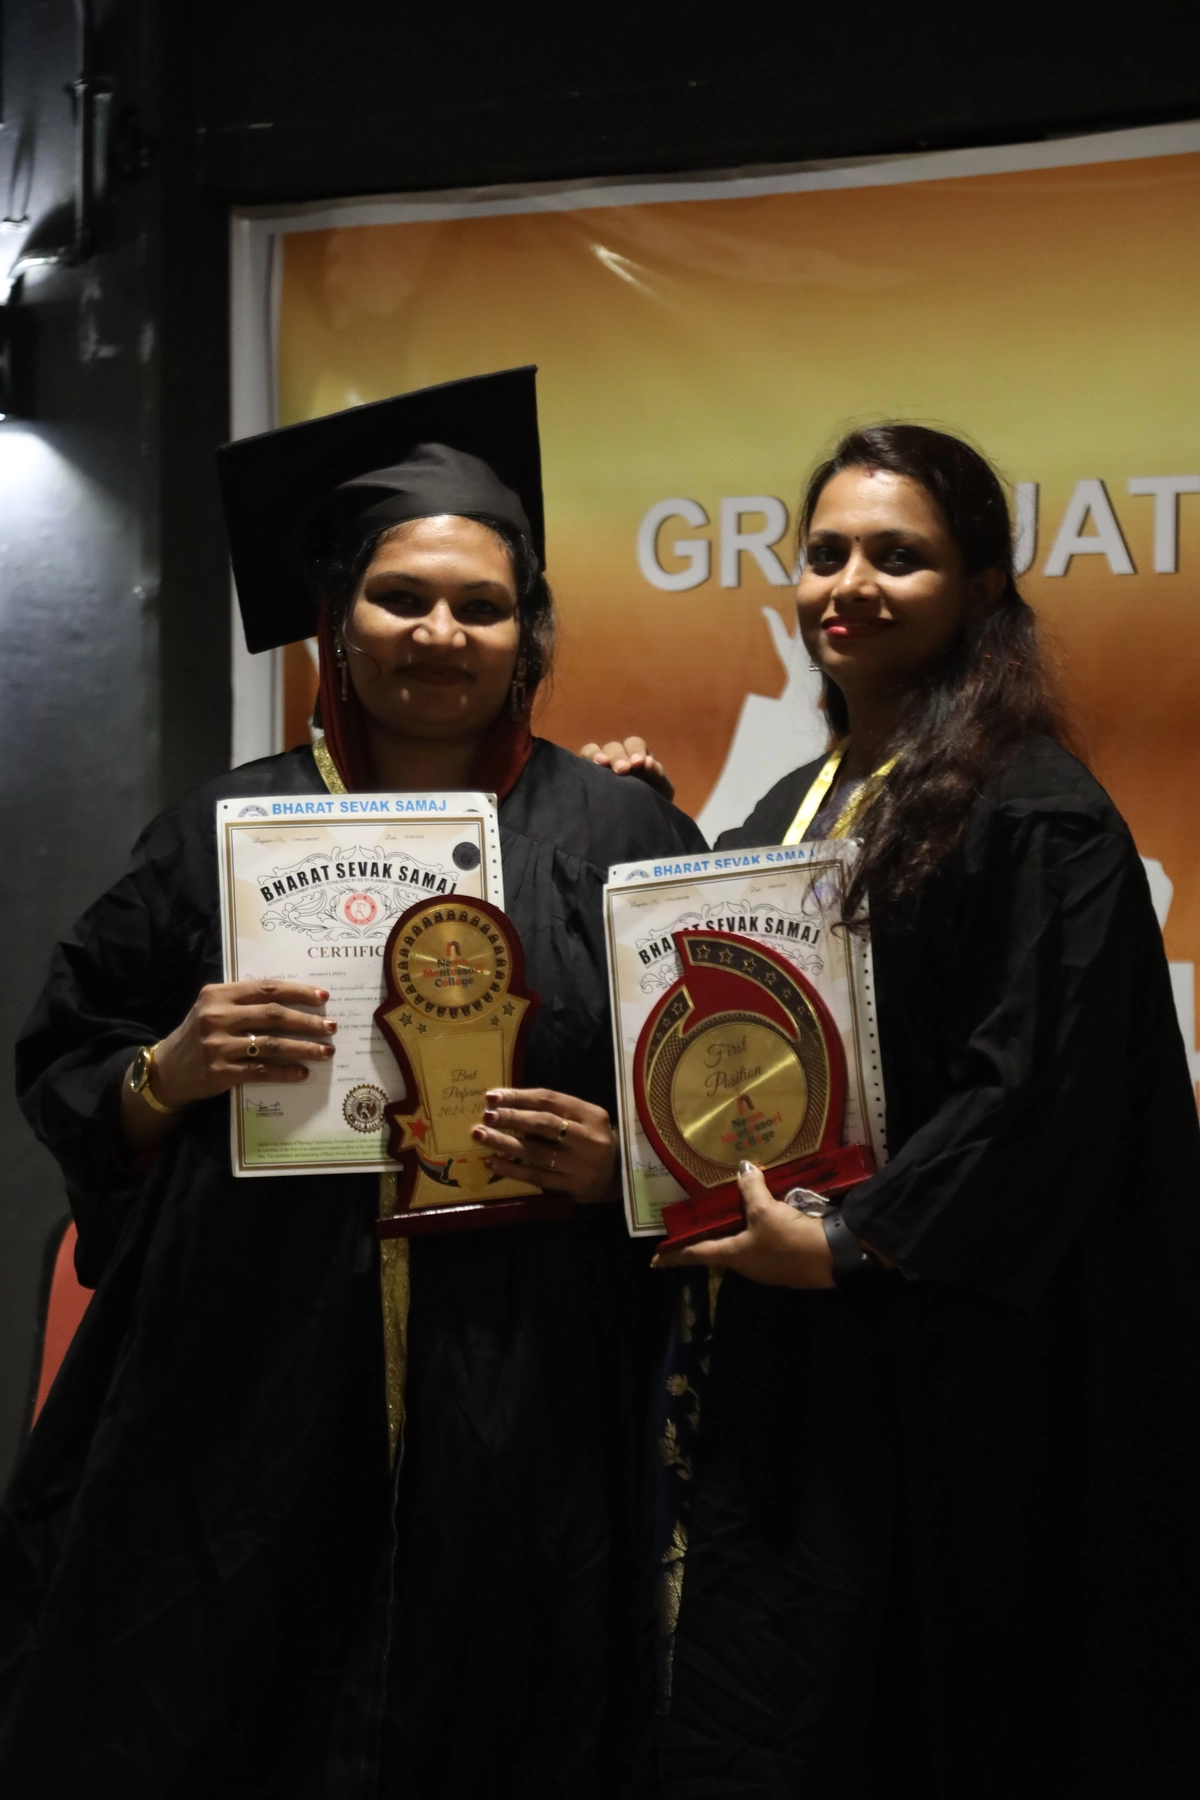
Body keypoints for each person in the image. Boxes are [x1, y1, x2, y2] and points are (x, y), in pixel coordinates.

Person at [1, 367, 706, 1800]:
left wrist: (623, 1168)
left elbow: (709, 1108)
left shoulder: (622, 831)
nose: (440, 633)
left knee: (511, 1709)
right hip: (253, 1370)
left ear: (528, 634)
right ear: (339, 617)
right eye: (401, 598)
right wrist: (165, 1072)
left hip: (529, 1384)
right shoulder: (219, 829)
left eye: (482, 606)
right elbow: (71, 1057)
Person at [587, 425, 1200, 1799]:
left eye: (898, 557)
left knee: (920, 1698)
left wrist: (852, 1241)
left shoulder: (1035, 811)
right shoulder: (800, 798)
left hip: (946, 1353)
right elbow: (748, 1019)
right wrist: (650, 836)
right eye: (826, 553)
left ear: (982, 586)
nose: (849, 584)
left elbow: (1035, 1090)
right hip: (801, 1338)